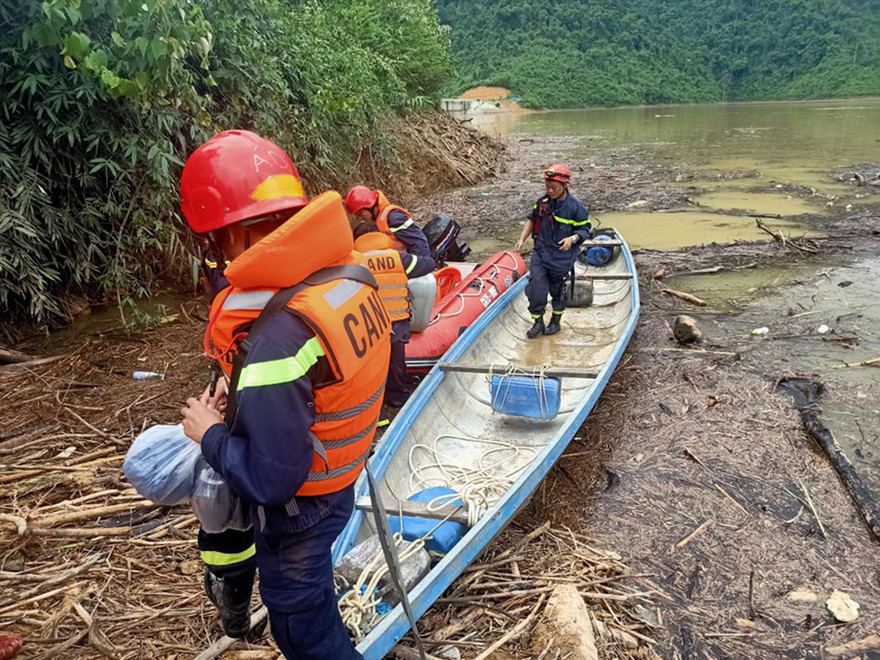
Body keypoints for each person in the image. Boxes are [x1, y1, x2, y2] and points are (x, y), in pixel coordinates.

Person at [178, 130, 390, 659]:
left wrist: (209, 436)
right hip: (342, 473)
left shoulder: (274, 336)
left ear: (232, 235)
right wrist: (244, 385)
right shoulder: (341, 276)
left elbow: (271, 479)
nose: (211, 258)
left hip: (302, 508)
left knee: (303, 628)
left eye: (211, 243)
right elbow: (319, 378)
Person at [349, 214, 433, 408]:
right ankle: (396, 397)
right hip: (397, 320)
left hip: (369, 323)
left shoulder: (355, 262)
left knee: (370, 364)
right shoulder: (397, 259)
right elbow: (427, 264)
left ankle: (372, 400)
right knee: (396, 361)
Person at [514, 164, 591, 338]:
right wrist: (521, 239)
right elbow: (531, 220)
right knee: (536, 288)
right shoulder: (542, 203)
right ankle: (538, 322)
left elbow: (585, 230)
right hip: (541, 253)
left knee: (557, 290)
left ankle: (555, 321)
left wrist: (572, 239)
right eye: (547, 187)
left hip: (561, 257)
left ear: (565, 186)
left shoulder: (576, 208)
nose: (550, 191)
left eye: (554, 188)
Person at [344, 186, 436, 272]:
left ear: (370, 206)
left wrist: (422, 268)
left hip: (404, 267)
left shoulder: (394, 218)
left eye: (360, 214)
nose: (360, 219)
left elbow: (419, 243)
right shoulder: (373, 223)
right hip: (390, 268)